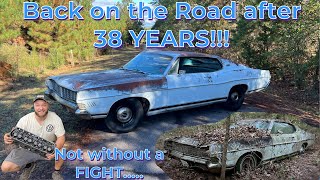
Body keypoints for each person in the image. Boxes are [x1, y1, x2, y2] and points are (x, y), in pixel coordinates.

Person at [1, 95, 66, 180]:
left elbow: (61, 137)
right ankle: (29, 165)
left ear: (48, 106)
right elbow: (14, 133)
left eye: (44, 105)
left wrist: (55, 150)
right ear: (34, 106)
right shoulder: (25, 119)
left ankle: (56, 172)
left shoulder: (55, 118)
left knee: (62, 151)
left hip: (47, 148)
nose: (41, 108)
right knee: (5, 167)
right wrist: (7, 137)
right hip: (27, 149)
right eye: (37, 105)